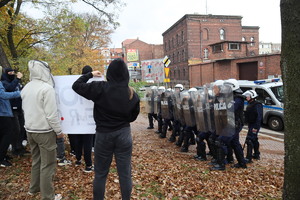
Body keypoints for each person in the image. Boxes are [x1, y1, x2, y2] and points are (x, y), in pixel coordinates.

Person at [72, 58, 140, 200]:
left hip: (103, 135)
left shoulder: (101, 87)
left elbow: (76, 86)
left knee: (101, 173)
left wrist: (90, 74)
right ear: (126, 74)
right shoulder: (132, 94)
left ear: (109, 72)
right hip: (123, 134)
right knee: (125, 173)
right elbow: (132, 118)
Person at [21, 60, 62, 200]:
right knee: (48, 165)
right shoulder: (47, 88)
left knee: (36, 161)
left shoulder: (26, 87)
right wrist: (58, 131)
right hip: (44, 132)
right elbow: (51, 115)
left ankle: (34, 189)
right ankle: (48, 196)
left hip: (30, 130)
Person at [1, 68, 28, 156]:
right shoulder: (4, 82)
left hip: (20, 108)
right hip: (11, 109)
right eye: (10, 72)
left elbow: (22, 91)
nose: (12, 74)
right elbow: (9, 88)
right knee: (15, 130)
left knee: (22, 129)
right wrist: (17, 79)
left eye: (13, 72)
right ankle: (14, 149)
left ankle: (20, 147)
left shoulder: (17, 82)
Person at [73, 65, 94, 173]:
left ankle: (78, 159)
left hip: (76, 117)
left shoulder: (77, 85)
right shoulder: (91, 86)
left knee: (78, 140)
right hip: (88, 118)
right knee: (87, 143)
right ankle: (88, 165)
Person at [0, 66, 21, 167]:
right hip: (3, 112)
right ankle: (2, 158)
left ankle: (3, 155)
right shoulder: (1, 82)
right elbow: (3, 94)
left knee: (3, 135)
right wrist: (19, 93)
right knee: (8, 134)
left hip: (4, 112)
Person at [243, 90, 263, 163]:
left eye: (247, 96)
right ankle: (256, 154)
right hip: (251, 124)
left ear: (252, 96)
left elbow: (259, 116)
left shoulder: (257, 105)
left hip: (255, 125)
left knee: (250, 140)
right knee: (254, 139)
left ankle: (249, 158)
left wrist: (256, 127)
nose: (246, 97)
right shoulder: (250, 104)